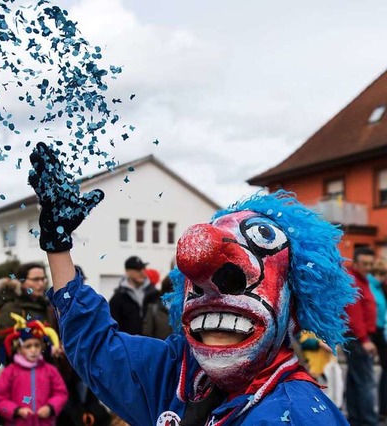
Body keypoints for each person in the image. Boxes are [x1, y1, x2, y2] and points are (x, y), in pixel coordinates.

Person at [28, 142, 354, 425]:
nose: (210, 280)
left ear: (294, 305)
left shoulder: (296, 415)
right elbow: (96, 348)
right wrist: (58, 247)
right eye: (196, 280)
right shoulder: (174, 374)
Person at [0, 315, 68, 425]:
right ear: (19, 348)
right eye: (28, 346)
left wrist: (50, 407)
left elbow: (61, 393)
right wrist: (16, 410)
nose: (33, 350)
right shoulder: (10, 372)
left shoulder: (50, 370)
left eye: (37, 345)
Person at [0, 263, 59, 363]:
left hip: (49, 370)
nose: (41, 284)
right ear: (22, 282)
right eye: (36, 279)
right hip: (22, 371)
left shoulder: (48, 307)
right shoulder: (11, 308)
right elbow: (4, 343)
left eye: (43, 279)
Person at [345, 247, 378, 426]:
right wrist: (365, 340)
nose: (367, 267)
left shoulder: (363, 280)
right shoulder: (354, 281)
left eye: (370, 264)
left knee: (355, 381)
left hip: (357, 337)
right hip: (358, 338)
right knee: (365, 382)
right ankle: (368, 421)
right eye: (364, 264)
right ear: (356, 263)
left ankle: (356, 419)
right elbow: (354, 314)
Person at [109, 256, 159, 335]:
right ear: (127, 271)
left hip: (153, 344)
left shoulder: (155, 294)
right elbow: (113, 328)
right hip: (129, 345)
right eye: (138, 270)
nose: (142, 272)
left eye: (143, 269)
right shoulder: (117, 299)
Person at [297, 331, 344, 409]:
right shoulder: (308, 328)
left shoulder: (330, 327)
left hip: (329, 365)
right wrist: (320, 344)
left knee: (334, 390)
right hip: (315, 366)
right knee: (318, 394)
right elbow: (304, 343)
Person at [369, 258, 387, 420]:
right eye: (380, 274)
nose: (382, 278)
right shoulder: (372, 287)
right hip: (375, 333)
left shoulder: (380, 288)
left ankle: (382, 409)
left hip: (380, 332)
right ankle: (381, 410)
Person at [142, 275, 174, 340]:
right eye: (172, 290)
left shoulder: (183, 309)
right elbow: (147, 335)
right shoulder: (153, 309)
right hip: (159, 348)